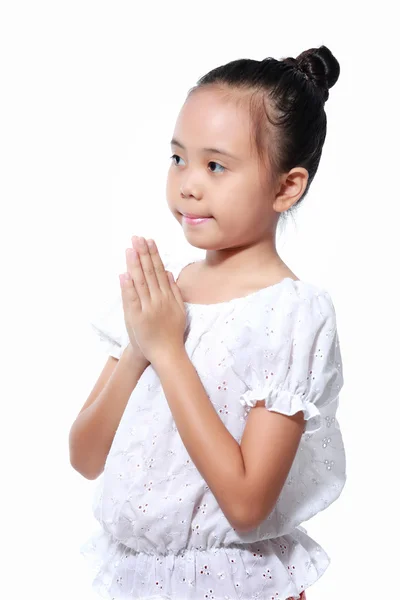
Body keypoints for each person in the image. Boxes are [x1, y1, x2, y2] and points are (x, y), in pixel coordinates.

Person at [70, 45, 346, 600]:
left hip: (237, 585)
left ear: (286, 186)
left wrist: (169, 352)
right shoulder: (161, 294)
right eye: (178, 158)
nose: (188, 184)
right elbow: (85, 456)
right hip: (139, 582)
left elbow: (247, 503)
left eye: (216, 165)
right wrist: (140, 346)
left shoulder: (291, 315)